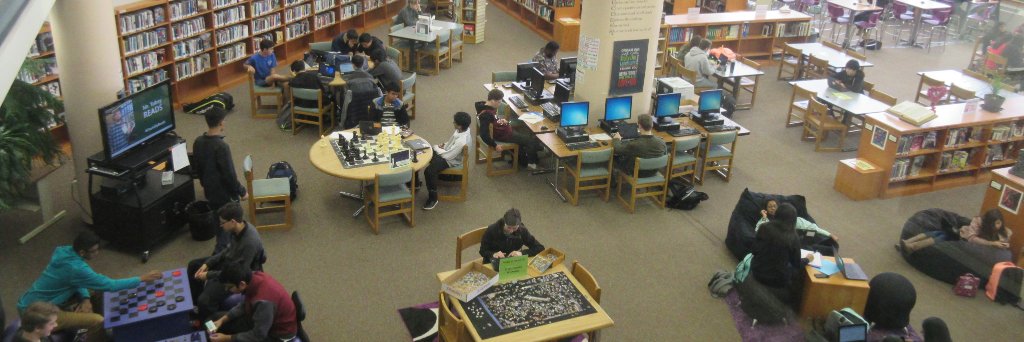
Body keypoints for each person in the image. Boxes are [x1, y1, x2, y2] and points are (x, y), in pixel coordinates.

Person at [17, 232, 162, 342]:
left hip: (34, 302)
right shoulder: (76, 268)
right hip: (37, 313)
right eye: (94, 251)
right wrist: (141, 279)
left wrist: (85, 299)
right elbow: (109, 285)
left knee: (93, 291)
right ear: (82, 252)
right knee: (97, 321)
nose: (97, 253)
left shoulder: (65, 251)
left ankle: (97, 317)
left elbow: (75, 280)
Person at [187, 202, 264, 320]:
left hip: (238, 275)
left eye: (222, 222)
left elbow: (237, 273)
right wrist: (208, 263)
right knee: (194, 265)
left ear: (232, 221)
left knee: (205, 300)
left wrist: (209, 275)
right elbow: (226, 251)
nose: (220, 225)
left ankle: (209, 324)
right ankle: (196, 307)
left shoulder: (249, 243)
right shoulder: (237, 229)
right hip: (231, 263)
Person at [193, 107, 248, 252]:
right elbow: (229, 174)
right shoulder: (221, 146)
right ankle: (221, 258)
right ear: (221, 123)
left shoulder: (198, 142)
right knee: (227, 231)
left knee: (219, 223)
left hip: (210, 191)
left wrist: (204, 184)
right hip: (224, 195)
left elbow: (197, 167)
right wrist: (241, 191)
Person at [209, 263, 296, 342]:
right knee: (215, 318)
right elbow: (245, 304)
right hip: (261, 319)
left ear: (242, 284)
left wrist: (226, 338)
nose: (227, 290)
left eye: (229, 287)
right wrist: (222, 320)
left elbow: (258, 335)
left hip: (277, 334)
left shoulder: (263, 303)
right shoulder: (254, 277)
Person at [748, 203, 810, 309]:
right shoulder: (793, 237)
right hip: (776, 281)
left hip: (756, 272)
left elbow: (754, 251)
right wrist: (808, 259)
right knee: (797, 276)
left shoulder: (764, 227)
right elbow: (796, 264)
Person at [421, 111, 472, 210]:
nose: (453, 123)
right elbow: (452, 141)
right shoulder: (462, 130)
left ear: (459, 126)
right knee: (428, 154)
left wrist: (435, 148)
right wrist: (444, 145)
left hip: (452, 160)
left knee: (429, 171)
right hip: (449, 153)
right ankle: (444, 176)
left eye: (454, 122)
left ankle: (433, 199)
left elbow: (448, 156)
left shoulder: (462, 141)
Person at [900, 208, 1013, 253]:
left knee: (942, 235)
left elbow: (1005, 240)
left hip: (964, 244)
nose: (998, 225)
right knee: (940, 233)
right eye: (995, 223)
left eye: (999, 222)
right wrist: (992, 243)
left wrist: (1002, 243)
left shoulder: (1005, 231)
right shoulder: (978, 221)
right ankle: (909, 243)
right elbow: (971, 238)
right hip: (962, 236)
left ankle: (912, 246)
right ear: (988, 222)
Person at [478, 89, 540, 170]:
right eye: (499, 102)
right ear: (493, 101)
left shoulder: (484, 106)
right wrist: (495, 145)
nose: (500, 104)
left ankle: (523, 159)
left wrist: (500, 121)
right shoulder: (486, 115)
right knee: (531, 140)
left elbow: (493, 121)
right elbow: (484, 134)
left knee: (524, 139)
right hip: (504, 135)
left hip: (503, 131)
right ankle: (531, 163)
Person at [479, 208, 546, 264]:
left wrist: (521, 253)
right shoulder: (492, 230)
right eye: (508, 227)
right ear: (504, 222)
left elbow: (539, 248)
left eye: (514, 228)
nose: (511, 231)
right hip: (493, 262)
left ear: (519, 225)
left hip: (513, 263)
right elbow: (482, 251)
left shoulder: (522, 231)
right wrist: (493, 254)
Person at [755, 199, 836, 241]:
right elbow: (758, 231)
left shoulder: (790, 217)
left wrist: (829, 234)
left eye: (774, 206)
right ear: (765, 209)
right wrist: (764, 217)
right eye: (769, 207)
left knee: (813, 235)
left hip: (800, 238)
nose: (773, 208)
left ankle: (824, 240)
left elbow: (812, 227)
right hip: (785, 243)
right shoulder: (766, 221)